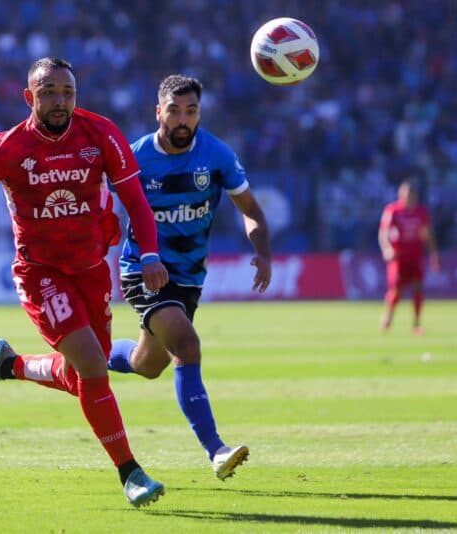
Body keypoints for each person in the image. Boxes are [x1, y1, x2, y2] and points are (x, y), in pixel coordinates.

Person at [0, 57, 169, 508]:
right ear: (29, 97)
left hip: (91, 271)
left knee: (81, 378)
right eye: (49, 92)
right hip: (41, 274)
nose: (59, 101)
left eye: (67, 92)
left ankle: (8, 364)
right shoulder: (6, 148)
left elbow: (136, 200)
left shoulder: (100, 134)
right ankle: (131, 472)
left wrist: (150, 253)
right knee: (94, 365)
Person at [107, 75, 272, 481]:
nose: (183, 120)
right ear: (158, 111)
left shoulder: (216, 155)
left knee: (147, 364)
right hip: (144, 268)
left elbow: (250, 209)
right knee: (187, 344)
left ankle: (86, 356)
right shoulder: (136, 157)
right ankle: (216, 450)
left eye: (191, 111)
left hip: (190, 277)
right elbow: (102, 210)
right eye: (175, 111)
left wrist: (263, 252)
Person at [378, 180, 440, 335]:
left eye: (412, 194)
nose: (409, 198)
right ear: (401, 195)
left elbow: (426, 234)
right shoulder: (393, 211)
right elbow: (384, 233)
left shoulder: (421, 212)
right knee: (396, 290)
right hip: (399, 258)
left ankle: (417, 323)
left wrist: (433, 254)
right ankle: (389, 316)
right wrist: (387, 249)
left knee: (418, 288)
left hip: (416, 256)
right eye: (406, 194)